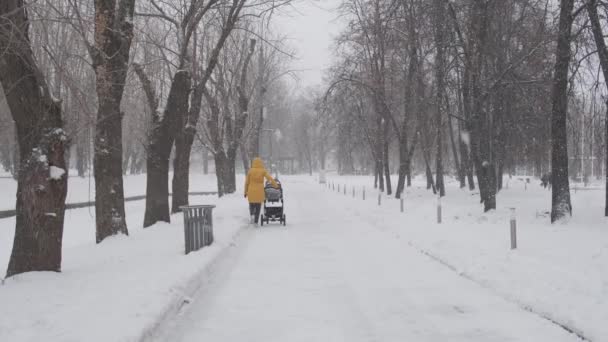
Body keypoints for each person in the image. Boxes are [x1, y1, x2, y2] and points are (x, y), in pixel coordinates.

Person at [244, 157, 278, 224]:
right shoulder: (263, 171)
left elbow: (246, 183)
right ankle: (256, 221)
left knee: (251, 205)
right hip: (259, 191)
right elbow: (269, 178)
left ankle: (252, 215)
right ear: (260, 163)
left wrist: (245, 192)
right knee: (258, 206)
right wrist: (275, 185)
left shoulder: (250, 171)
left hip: (251, 191)